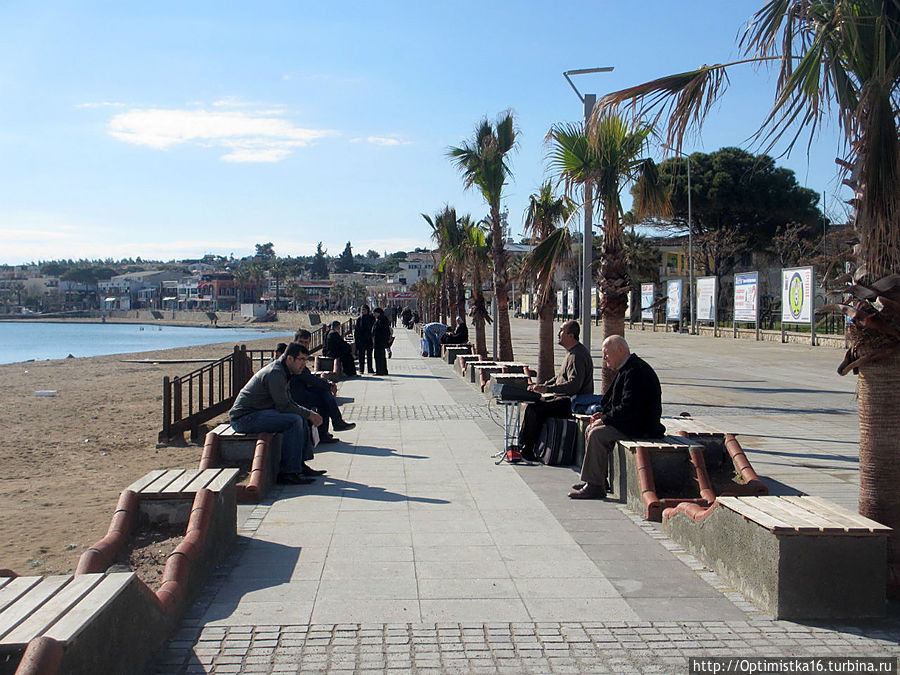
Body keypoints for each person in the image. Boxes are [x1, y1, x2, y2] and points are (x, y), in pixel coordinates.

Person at [569, 335, 665, 499]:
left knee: (597, 434)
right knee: (592, 428)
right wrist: (603, 416)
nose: (604, 357)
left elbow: (628, 407)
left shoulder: (636, 371)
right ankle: (598, 479)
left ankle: (595, 486)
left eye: (606, 353)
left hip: (641, 426)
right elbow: (617, 404)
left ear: (620, 350)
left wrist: (605, 419)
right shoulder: (628, 368)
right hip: (632, 422)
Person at [228, 342, 326, 485]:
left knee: (301, 416)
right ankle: (288, 472)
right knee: (294, 420)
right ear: (289, 359)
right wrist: (310, 414)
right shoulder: (276, 373)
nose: (304, 364)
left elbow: (288, 403)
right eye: (301, 360)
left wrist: (307, 413)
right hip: (244, 419)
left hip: (259, 413)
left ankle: (299, 466)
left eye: (306, 360)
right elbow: (284, 406)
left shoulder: (284, 371)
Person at [517, 320, 594, 461]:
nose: (558, 334)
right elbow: (559, 378)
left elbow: (573, 386)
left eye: (561, 331)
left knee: (536, 409)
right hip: (565, 399)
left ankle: (527, 448)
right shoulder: (571, 353)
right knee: (533, 404)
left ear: (571, 335)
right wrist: (541, 386)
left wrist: (547, 389)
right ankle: (522, 445)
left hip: (573, 402)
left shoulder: (577, 355)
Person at [289, 334, 357, 443]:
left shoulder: (299, 355)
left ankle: (330, 428)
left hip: (301, 390)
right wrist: (329, 385)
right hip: (293, 395)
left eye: (306, 343)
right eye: (301, 342)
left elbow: (308, 377)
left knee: (324, 394)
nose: (304, 345)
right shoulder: (293, 357)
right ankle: (334, 425)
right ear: (294, 341)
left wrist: (326, 384)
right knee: (324, 396)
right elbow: (307, 378)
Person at [354, 305, 376, 374]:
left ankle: (370, 369)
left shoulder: (371, 318)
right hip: (361, 340)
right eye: (362, 310)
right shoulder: (359, 319)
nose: (363, 311)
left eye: (364, 310)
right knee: (361, 355)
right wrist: (357, 340)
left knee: (369, 355)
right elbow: (356, 330)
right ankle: (361, 369)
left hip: (369, 339)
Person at [372, 307, 391, 375]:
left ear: (378, 313)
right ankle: (382, 370)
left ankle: (380, 371)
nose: (373, 314)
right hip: (379, 341)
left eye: (374, 313)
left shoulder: (382, 319)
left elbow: (383, 331)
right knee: (381, 356)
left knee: (379, 356)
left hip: (380, 342)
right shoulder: (380, 319)